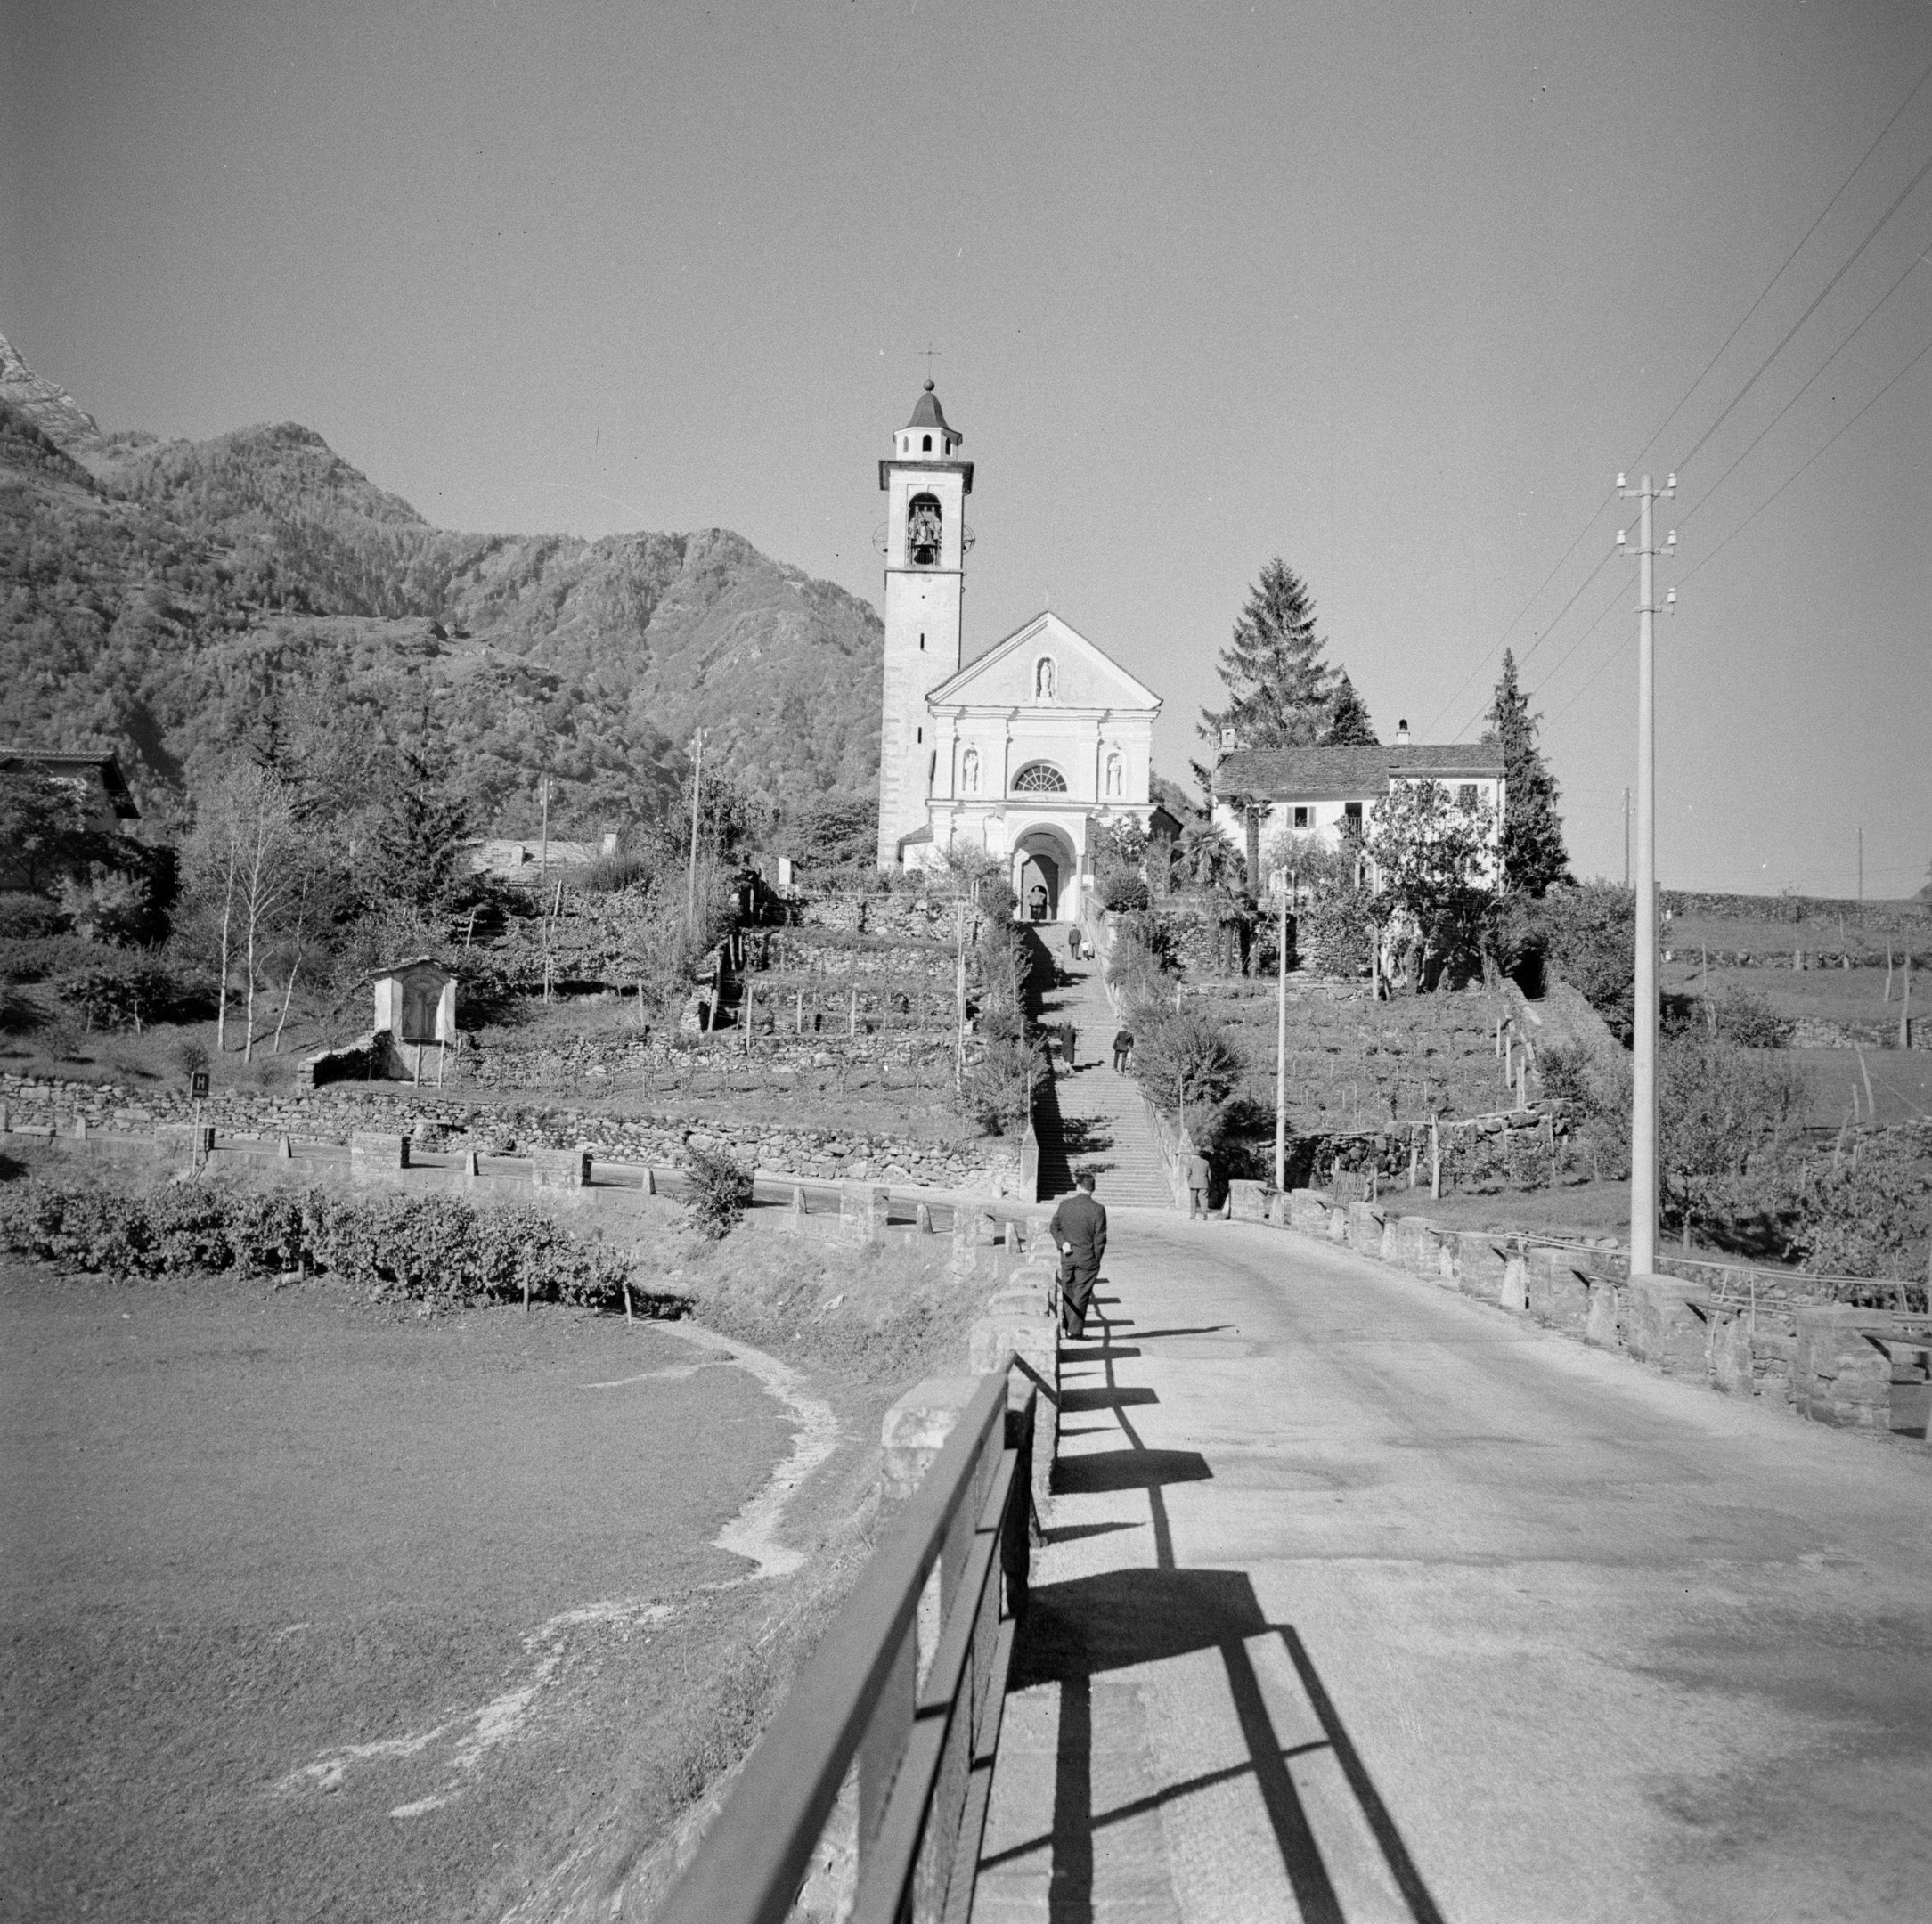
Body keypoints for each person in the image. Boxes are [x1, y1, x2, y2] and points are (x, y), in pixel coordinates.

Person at [1049, 1171, 1107, 1340]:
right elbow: (1100, 1238)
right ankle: (1074, 1331)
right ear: (1093, 1189)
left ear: (1078, 1186)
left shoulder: (1065, 1205)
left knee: (1068, 1290)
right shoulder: (1098, 1209)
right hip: (1087, 1257)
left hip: (1068, 1255)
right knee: (1081, 1294)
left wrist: (1062, 1243)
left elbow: (1054, 1227)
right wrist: (1096, 1257)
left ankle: (1068, 1326)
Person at [1184, 1143, 1212, 1219]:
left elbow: (1188, 1173)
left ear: (1193, 1154)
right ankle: (1204, 1212)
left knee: (1193, 1199)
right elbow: (1209, 1174)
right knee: (1203, 1198)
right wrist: (1209, 1182)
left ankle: (1193, 1215)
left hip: (1193, 1182)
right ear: (1200, 1154)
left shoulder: (1190, 1162)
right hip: (1204, 1182)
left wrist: (1189, 1180)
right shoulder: (1206, 1162)